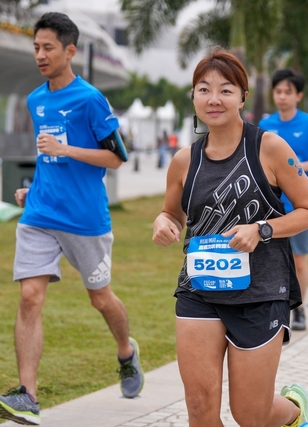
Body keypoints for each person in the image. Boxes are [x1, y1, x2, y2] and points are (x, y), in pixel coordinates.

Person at [152, 47, 308, 427]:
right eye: (204, 89)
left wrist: (262, 229)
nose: (214, 99)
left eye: (225, 90)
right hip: (199, 289)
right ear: (193, 97)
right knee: (199, 408)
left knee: (250, 414)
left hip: (260, 293)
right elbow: (171, 212)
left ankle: (293, 410)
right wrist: (163, 222)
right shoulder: (184, 161)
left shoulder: (269, 148)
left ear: (243, 97)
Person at [0, 13, 141, 426]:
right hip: (40, 213)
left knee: (101, 299)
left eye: (48, 47)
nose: (40, 55)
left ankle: (126, 352)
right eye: (36, 48)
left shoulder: (91, 100)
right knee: (30, 297)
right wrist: (34, 188)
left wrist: (67, 150)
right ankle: (27, 395)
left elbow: (117, 157)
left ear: (70, 51)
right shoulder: (35, 99)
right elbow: (47, 156)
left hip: (85, 220)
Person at [259, 69, 308, 331]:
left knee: (299, 260)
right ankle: (270, 308)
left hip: (300, 206)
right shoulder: (265, 125)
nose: (282, 96)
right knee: (269, 261)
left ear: (298, 95)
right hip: (269, 205)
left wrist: (296, 168)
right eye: (278, 91)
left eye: (287, 92)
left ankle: (298, 309)